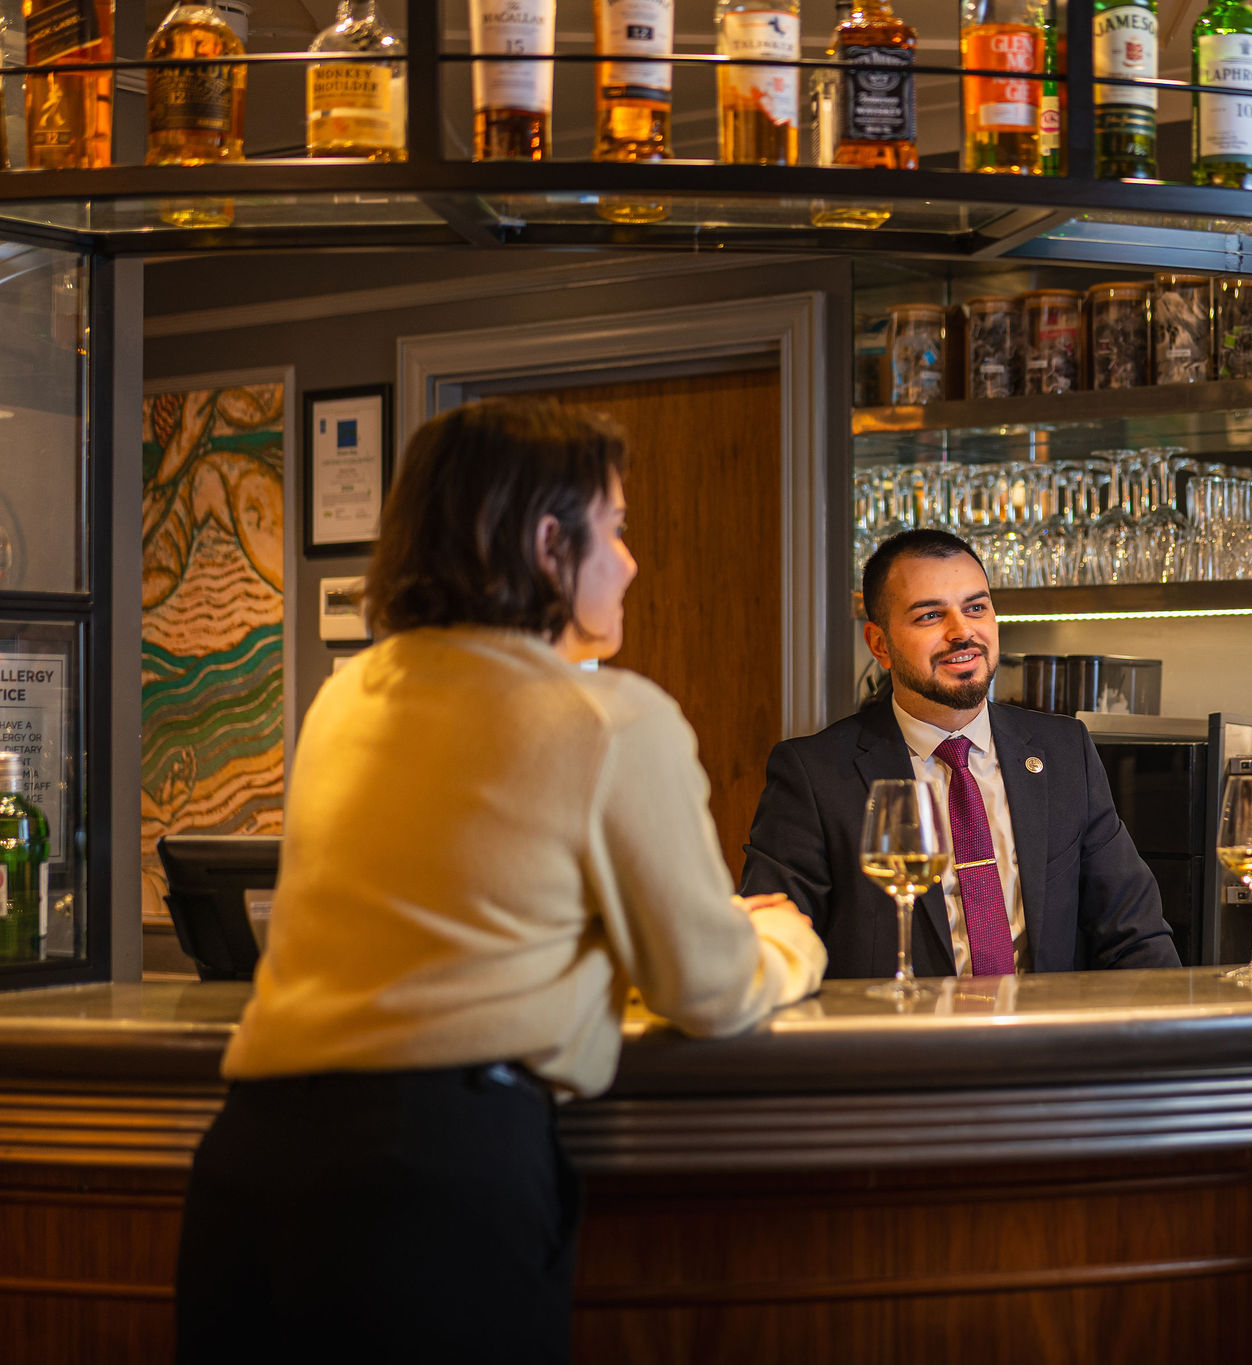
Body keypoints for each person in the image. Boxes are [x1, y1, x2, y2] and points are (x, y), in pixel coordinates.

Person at [174, 399, 826, 1365]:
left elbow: (477, 897)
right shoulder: (608, 718)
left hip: (250, 1162)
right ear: (548, 540)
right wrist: (786, 939)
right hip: (434, 1177)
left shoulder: (347, 694)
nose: (632, 561)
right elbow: (711, 985)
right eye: (617, 528)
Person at [741, 528, 1180, 978]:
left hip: (1039, 1041)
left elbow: (1135, 934)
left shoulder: (1064, 749)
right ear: (879, 645)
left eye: (976, 607)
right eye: (930, 616)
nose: (962, 632)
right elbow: (774, 949)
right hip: (896, 1044)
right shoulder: (814, 774)